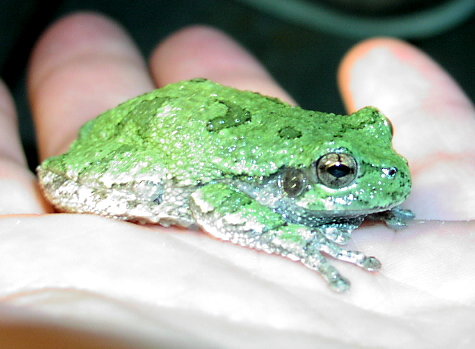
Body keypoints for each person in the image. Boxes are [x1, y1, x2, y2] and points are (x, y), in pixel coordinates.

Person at [0, 12, 474, 348]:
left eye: (382, 133)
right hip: (155, 144)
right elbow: (211, 198)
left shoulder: (328, 161)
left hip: (192, 116)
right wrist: (296, 234)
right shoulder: (264, 177)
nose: (394, 168)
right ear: (298, 179)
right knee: (176, 183)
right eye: (337, 172)